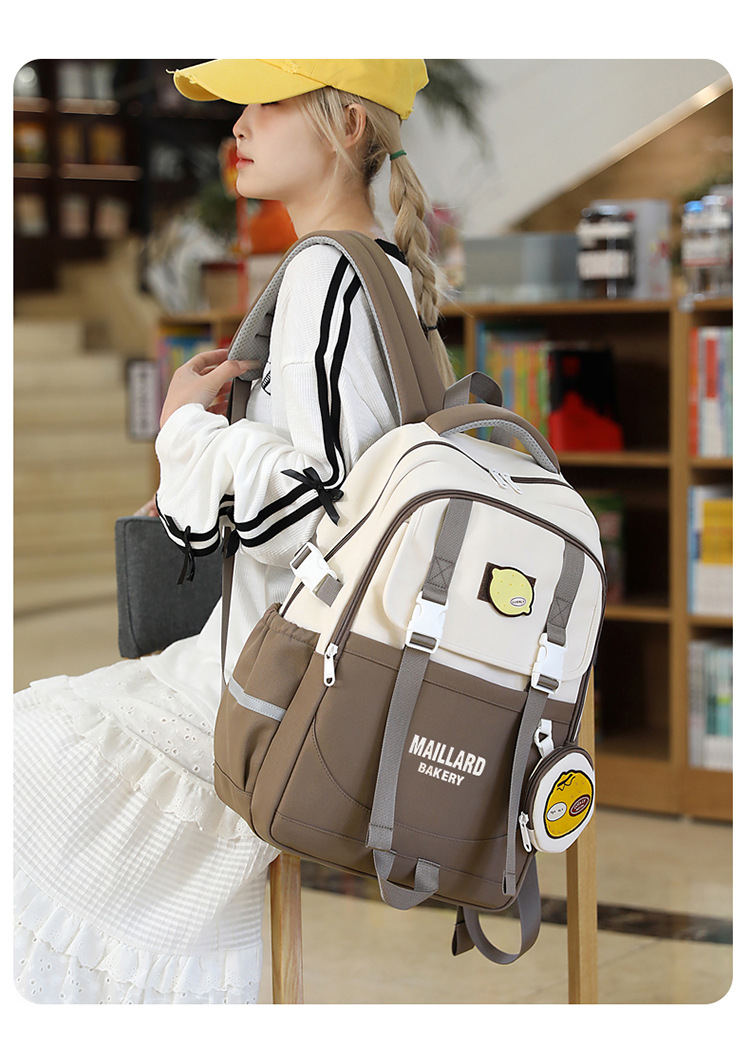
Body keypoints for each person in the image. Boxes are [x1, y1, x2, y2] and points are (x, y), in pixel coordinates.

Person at [14, 58, 455, 1005]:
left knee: (26, 751)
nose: (238, 125)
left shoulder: (326, 276)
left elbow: (322, 512)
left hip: (278, 690)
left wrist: (187, 431)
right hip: (341, 677)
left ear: (347, 125)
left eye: (267, 101)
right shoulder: (388, 274)